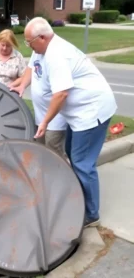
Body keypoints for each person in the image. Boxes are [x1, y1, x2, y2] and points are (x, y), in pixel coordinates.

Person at [10, 17, 117, 228]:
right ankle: (74, 195)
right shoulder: (42, 48)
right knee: (71, 155)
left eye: (29, 42)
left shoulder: (56, 56)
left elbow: (60, 95)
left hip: (91, 113)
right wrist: (22, 84)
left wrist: (45, 122)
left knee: (82, 164)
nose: (28, 46)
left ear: (42, 37)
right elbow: (32, 66)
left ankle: (91, 214)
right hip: (77, 116)